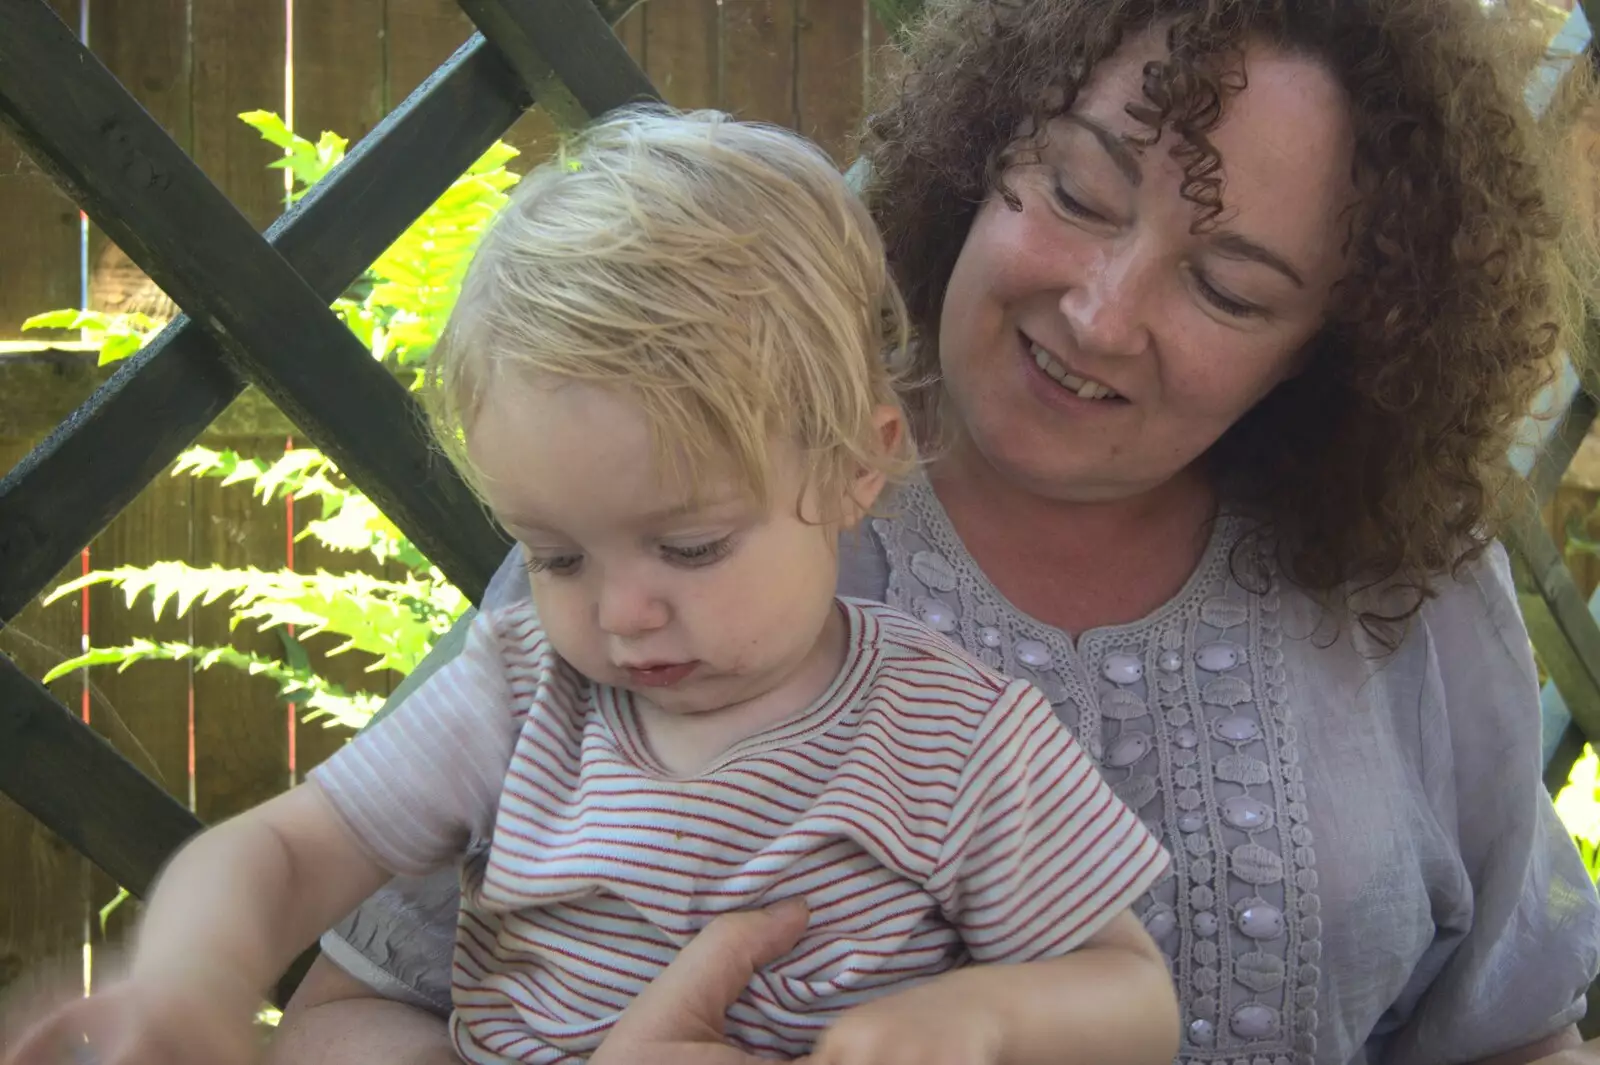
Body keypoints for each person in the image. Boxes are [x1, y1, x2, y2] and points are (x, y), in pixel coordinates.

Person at [264, 0, 1600, 1063]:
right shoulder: (687, 510)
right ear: (983, 149)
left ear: (1329, 351)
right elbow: (347, 1013)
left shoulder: (1402, 585)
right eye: (1076, 191)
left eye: (1231, 289)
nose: (1099, 311)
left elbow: (1514, 1034)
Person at [1, 109, 1179, 1065]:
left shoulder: (953, 737)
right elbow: (279, 854)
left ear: (859, 463)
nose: (617, 615)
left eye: (692, 546)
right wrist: (188, 984)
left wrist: (971, 1019)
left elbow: (1132, 998)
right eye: (556, 557)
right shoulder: (522, 698)